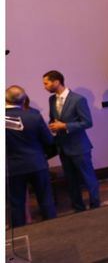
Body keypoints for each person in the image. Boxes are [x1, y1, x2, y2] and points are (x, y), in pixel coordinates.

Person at [43, 70, 100, 212]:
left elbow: (87, 122)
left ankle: (95, 206)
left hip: (79, 146)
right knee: (71, 180)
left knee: (88, 178)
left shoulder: (78, 99)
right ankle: (78, 207)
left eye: (46, 83)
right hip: (63, 147)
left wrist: (65, 126)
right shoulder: (52, 100)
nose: (44, 86)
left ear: (56, 81)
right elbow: (53, 118)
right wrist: (53, 125)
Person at [6, 85, 57, 227]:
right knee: (46, 199)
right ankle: (54, 229)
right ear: (24, 100)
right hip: (37, 163)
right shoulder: (34, 116)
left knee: (16, 203)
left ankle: (21, 235)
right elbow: (48, 140)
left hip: (12, 167)